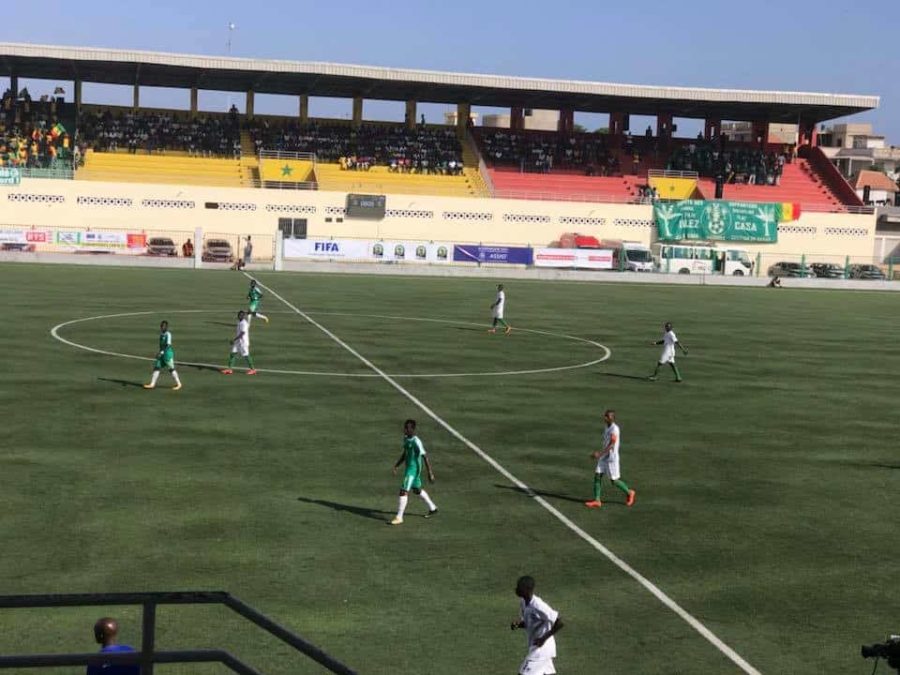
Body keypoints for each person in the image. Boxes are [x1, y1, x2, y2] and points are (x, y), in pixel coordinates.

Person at [510, 576, 564, 675]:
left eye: (519, 587)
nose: (516, 589)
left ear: (527, 590)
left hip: (541, 649)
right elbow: (530, 623)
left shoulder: (538, 605)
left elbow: (559, 622)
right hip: (538, 647)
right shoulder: (523, 602)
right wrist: (519, 624)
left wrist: (543, 639)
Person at [389, 419, 438, 525]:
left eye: (407, 427)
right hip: (409, 468)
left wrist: (430, 472)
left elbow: (425, 456)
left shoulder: (416, 441)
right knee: (416, 490)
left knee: (403, 491)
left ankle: (399, 517)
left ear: (412, 429)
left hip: (413, 469)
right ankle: (433, 508)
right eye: (404, 427)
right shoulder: (406, 439)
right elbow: (405, 453)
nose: (404, 429)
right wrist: (397, 465)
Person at [584, 410, 635, 509]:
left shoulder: (614, 429)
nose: (605, 418)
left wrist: (599, 454)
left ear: (611, 418)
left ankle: (629, 492)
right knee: (597, 476)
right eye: (605, 416)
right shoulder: (606, 427)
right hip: (604, 456)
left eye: (607, 416)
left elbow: (612, 445)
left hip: (611, 458)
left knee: (614, 481)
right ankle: (597, 500)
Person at [143, 320, 182, 390]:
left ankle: (179, 384)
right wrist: (160, 352)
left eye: (164, 326)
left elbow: (168, 345)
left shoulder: (168, 334)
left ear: (166, 327)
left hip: (167, 354)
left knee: (171, 369)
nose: (162, 328)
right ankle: (152, 384)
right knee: (157, 367)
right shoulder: (161, 334)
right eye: (161, 326)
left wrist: (161, 352)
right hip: (162, 354)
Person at [221, 310, 257, 375]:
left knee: (246, 355)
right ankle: (229, 369)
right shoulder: (239, 322)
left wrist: (234, 340)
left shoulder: (244, 323)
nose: (239, 316)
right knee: (232, 353)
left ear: (243, 316)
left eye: (240, 315)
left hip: (243, 342)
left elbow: (242, 333)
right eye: (238, 315)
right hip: (238, 341)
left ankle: (253, 369)